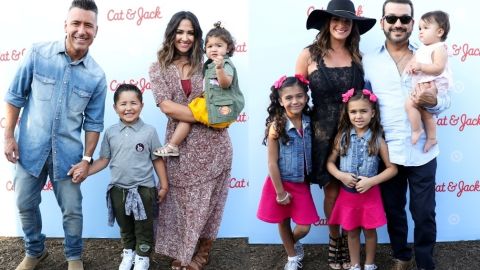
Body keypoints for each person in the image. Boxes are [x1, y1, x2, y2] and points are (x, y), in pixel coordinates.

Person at [3, 0, 106, 269]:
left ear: (96, 30)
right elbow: (15, 97)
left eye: (88, 25)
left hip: (69, 157)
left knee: (72, 210)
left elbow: (94, 123)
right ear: (66, 25)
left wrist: (86, 158)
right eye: (76, 23)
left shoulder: (96, 76)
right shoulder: (38, 54)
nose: (81, 30)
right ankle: (35, 251)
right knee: (25, 203)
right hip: (30, 149)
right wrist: (8, 136)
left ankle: (74, 257)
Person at [362, 0, 450, 269]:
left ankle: (425, 262)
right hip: (387, 150)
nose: (397, 24)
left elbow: (446, 101)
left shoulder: (430, 55)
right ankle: (401, 255)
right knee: (393, 210)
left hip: (423, 149)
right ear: (382, 22)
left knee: (424, 213)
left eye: (404, 19)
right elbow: (363, 104)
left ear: (413, 24)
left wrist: (432, 100)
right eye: (391, 18)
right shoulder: (368, 60)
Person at [148, 11, 233, 270]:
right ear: (171, 34)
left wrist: (216, 114)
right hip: (178, 146)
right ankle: (182, 251)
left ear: (197, 36)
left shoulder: (208, 65)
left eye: (190, 33)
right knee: (182, 205)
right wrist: (209, 117)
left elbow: (224, 101)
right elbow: (167, 107)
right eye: (180, 32)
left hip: (215, 148)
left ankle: (201, 253)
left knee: (210, 204)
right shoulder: (157, 68)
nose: (185, 38)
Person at [295, 0, 376, 268]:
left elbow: (367, 98)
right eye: (336, 20)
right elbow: (295, 96)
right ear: (327, 24)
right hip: (321, 133)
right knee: (331, 193)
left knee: (352, 190)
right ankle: (335, 239)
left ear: (352, 26)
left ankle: (351, 237)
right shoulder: (309, 55)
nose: (341, 25)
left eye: (347, 21)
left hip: (355, 133)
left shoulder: (358, 56)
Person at [81, 84, 168, 270]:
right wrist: (85, 171)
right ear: (115, 108)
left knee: (144, 226)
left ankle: (143, 256)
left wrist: (164, 185)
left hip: (144, 189)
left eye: (133, 103)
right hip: (118, 190)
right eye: (123, 104)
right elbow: (104, 159)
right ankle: (129, 252)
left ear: (142, 106)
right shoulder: (110, 132)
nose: (128, 108)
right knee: (125, 225)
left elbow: (157, 160)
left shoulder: (149, 131)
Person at [327, 89, 397, 270]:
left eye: (363, 111)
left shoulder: (377, 139)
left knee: (370, 231)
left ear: (372, 113)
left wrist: (371, 181)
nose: (358, 116)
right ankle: (355, 264)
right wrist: (340, 175)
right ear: (347, 113)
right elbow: (329, 163)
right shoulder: (342, 137)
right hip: (347, 195)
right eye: (353, 111)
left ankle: (369, 264)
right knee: (351, 232)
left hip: (370, 195)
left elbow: (392, 169)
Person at [257, 75, 320, 270]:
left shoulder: (311, 122)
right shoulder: (277, 127)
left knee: (304, 225)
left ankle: (291, 243)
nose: (295, 101)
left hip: (301, 183)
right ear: (280, 100)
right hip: (280, 183)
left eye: (299, 96)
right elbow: (272, 163)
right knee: (283, 221)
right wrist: (279, 192)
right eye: (289, 98)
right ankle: (292, 257)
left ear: (306, 97)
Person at [154, 21, 244, 157]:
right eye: (210, 46)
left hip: (216, 147)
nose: (214, 49)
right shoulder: (207, 64)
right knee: (193, 109)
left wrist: (219, 69)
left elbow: (225, 84)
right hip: (184, 153)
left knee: (193, 110)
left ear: (228, 48)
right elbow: (166, 107)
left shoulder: (223, 64)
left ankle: (172, 145)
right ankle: (173, 145)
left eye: (219, 46)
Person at [405, 10, 452, 152]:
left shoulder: (439, 48)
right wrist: (410, 66)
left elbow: (438, 68)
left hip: (434, 82)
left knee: (415, 106)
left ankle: (421, 132)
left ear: (439, 32)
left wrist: (420, 66)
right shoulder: (421, 49)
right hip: (422, 83)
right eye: (419, 28)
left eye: (425, 28)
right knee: (418, 108)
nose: (420, 32)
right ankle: (426, 135)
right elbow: (413, 60)